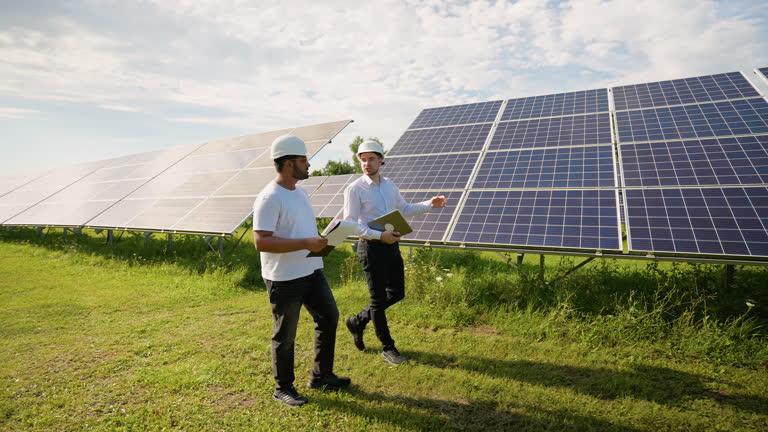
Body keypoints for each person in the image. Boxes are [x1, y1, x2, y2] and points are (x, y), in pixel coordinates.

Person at [253, 135, 350, 408]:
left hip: (311, 269)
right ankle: (282, 387)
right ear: (287, 163)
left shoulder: (301, 192)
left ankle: (321, 376)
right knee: (285, 335)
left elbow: (300, 231)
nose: (308, 164)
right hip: (284, 277)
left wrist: (320, 239)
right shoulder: (269, 198)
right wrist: (306, 243)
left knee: (328, 316)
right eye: (303, 160)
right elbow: (261, 241)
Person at [342, 140, 446, 365]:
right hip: (370, 247)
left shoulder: (390, 185)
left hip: (391, 245)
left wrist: (430, 204)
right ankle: (388, 347)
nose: (366, 163)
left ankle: (358, 321)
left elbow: (405, 208)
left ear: (381, 160)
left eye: (371, 158)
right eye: (362, 159)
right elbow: (350, 224)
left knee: (397, 293)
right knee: (377, 300)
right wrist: (379, 236)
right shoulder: (355, 188)